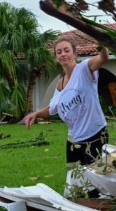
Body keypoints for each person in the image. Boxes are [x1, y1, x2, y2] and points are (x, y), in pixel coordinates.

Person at [24, 37, 109, 167]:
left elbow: (103, 58)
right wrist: (36, 114)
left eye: (66, 50)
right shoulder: (60, 83)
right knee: (76, 182)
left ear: (74, 53)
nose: (63, 54)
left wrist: (101, 42)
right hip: (73, 140)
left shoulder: (84, 69)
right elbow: (53, 108)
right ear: (56, 57)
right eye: (59, 52)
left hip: (95, 135)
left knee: (96, 181)